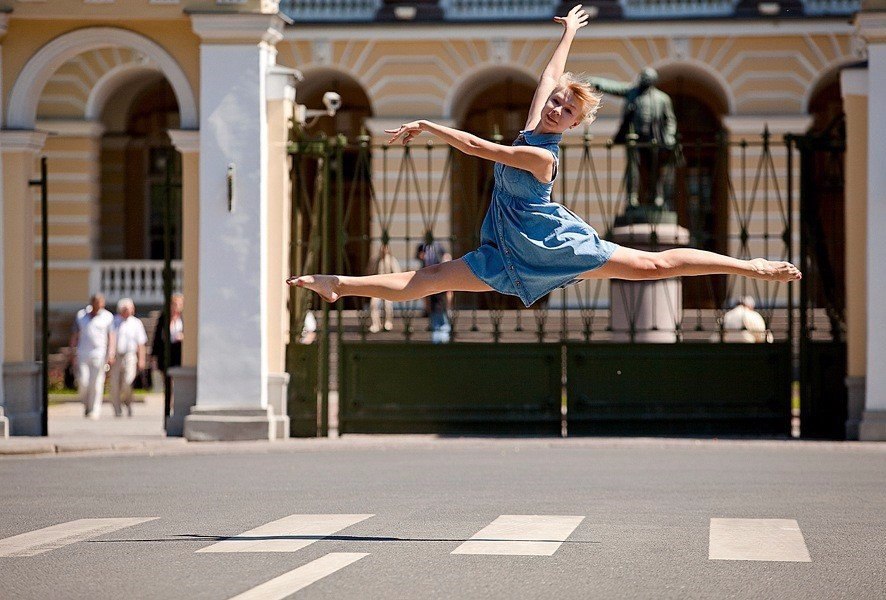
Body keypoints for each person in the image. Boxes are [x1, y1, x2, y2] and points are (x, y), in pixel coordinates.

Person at [286, 5, 800, 311]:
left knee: (652, 263)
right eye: (557, 103)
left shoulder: (542, 157)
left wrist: (429, 125)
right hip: (505, 247)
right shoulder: (536, 124)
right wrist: (569, 34)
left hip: (550, 243)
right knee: (432, 280)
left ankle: (749, 267)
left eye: (566, 110)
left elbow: (480, 148)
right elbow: (549, 78)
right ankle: (339, 285)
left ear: (574, 125)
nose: (556, 107)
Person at [586, 68, 678, 209]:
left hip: (654, 140)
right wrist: (597, 83)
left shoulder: (662, 99)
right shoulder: (632, 92)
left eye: (646, 79)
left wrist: (670, 136)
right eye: (642, 78)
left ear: (652, 82)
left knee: (654, 169)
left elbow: (670, 120)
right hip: (633, 139)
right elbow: (614, 87)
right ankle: (631, 198)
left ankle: (656, 197)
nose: (643, 81)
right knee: (632, 170)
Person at [70, 293, 115, 419]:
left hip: (99, 354)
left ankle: (95, 409)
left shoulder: (107, 317)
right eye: (96, 302)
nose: (98, 305)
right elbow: (75, 334)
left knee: (97, 383)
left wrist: (111, 353)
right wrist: (72, 351)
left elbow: (111, 336)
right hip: (83, 353)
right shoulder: (81, 315)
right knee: (83, 382)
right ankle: (86, 405)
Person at [109, 298, 148, 417]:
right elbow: (111, 338)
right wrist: (110, 355)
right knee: (115, 384)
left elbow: (141, 343)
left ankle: (128, 401)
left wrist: (141, 359)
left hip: (130, 356)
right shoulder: (114, 321)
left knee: (128, 381)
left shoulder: (136, 323)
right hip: (116, 356)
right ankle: (117, 409)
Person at [416, 241, 452, 343]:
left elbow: (448, 293)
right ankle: (441, 341)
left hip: (440, 304)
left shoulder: (438, 245)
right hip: (436, 303)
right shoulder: (422, 246)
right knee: (439, 324)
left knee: (441, 324)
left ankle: (441, 340)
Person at [367, 243, 402, 333]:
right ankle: (375, 324)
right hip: (377, 286)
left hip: (388, 286)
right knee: (374, 305)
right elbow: (370, 271)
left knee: (388, 306)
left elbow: (397, 273)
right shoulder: (375, 260)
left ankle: (388, 323)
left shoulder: (391, 260)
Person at [152, 292, 183, 374]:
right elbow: (157, 335)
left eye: (179, 304)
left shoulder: (184, 318)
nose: (176, 306)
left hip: (179, 350)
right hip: (165, 350)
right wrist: (154, 355)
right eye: (174, 304)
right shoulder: (164, 317)